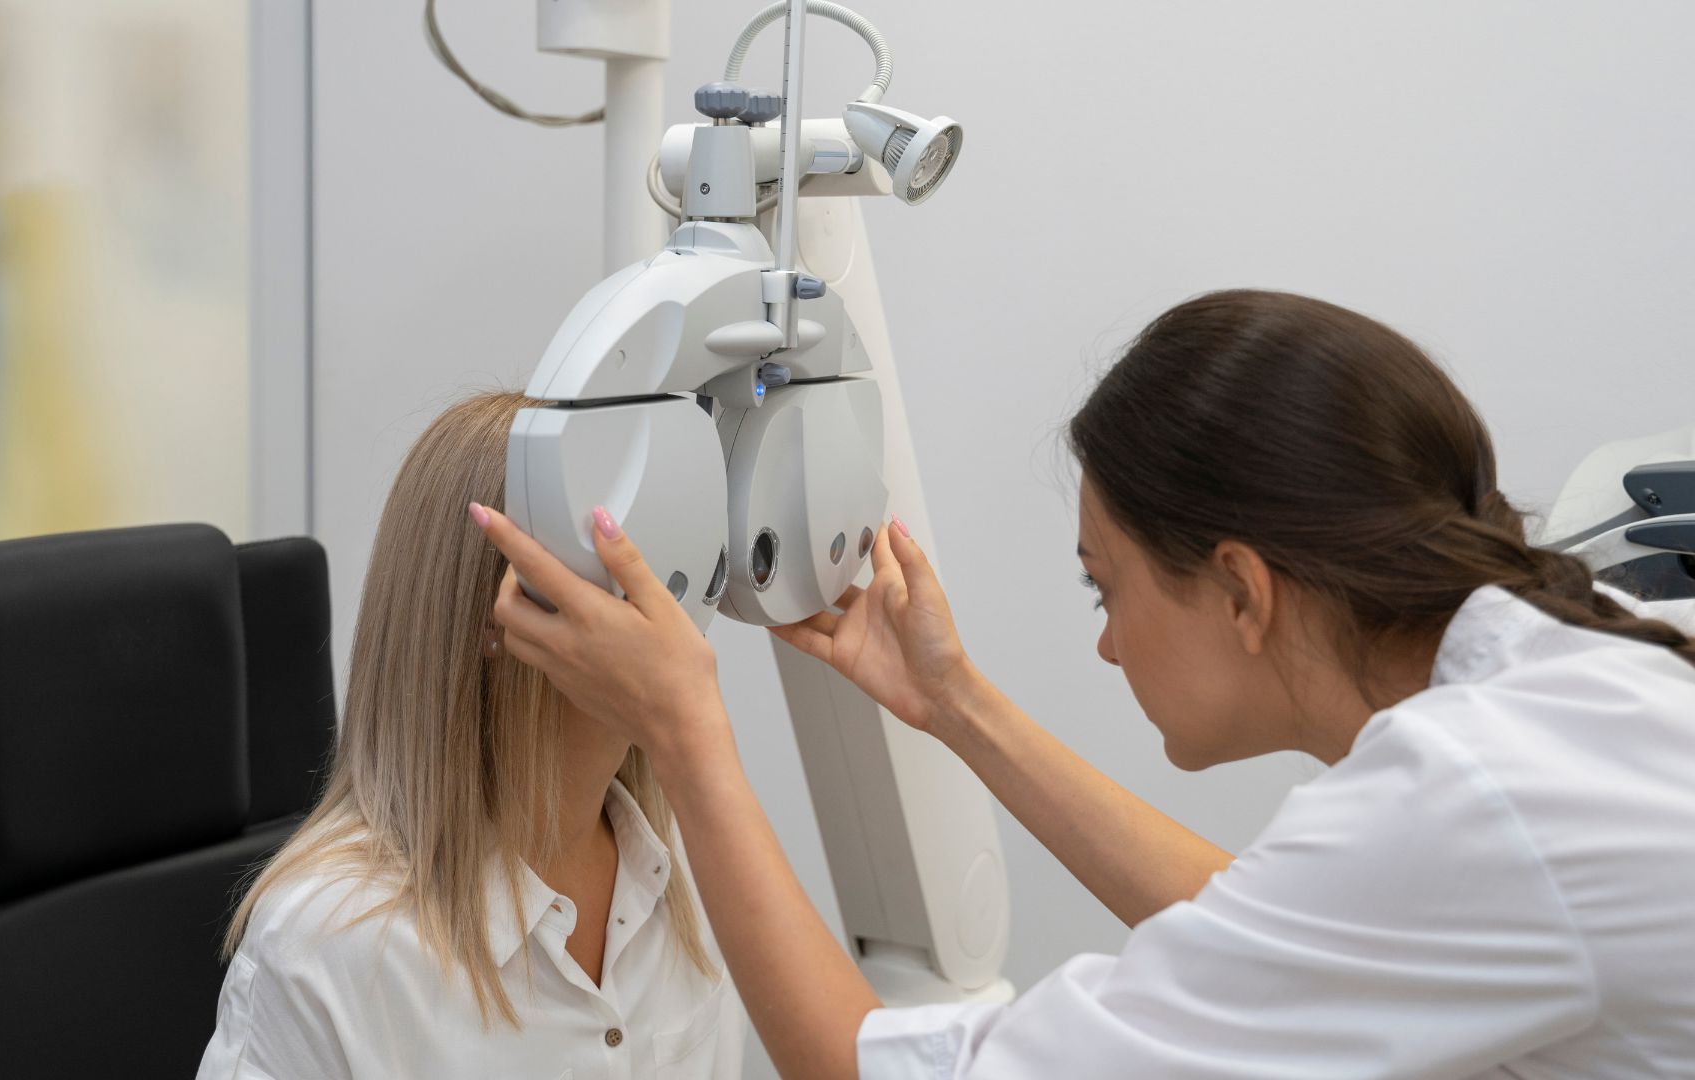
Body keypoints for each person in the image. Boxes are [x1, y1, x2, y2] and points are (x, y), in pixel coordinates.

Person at [470, 290, 1695, 1079]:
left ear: (1242, 590)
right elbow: (1287, 929)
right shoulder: (1566, 683)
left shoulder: (1475, 796)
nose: (1106, 646)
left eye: (1102, 588)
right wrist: (953, 703)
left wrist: (688, 732)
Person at [199, 392, 741, 1078]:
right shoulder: (324, 945)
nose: (666, 615)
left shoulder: (675, 872)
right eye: (619, 569)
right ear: (503, 612)